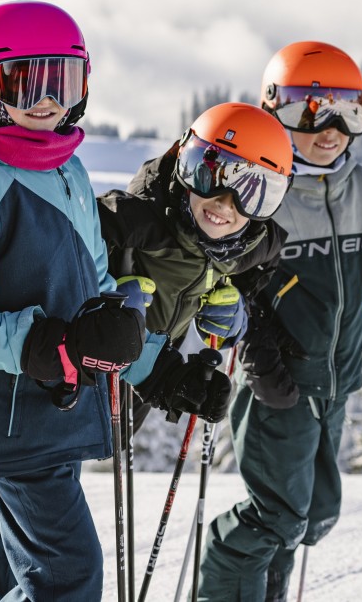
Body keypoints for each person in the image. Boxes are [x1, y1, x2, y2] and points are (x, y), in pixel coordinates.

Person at [0, 0, 231, 602]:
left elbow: (98, 300)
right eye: (23, 80)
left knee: (0, 570)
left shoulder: (65, 166)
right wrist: (53, 345)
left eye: (61, 79)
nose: (45, 98)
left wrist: (160, 371)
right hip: (10, 420)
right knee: (67, 577)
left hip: (50, 413)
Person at [197, 41, 362, 602]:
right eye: (311, 110)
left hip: (336, 383)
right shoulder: (264, 193)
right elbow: (227, 283)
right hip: (277, 385)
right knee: (276, 516)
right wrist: (256, 349)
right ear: (275, 111)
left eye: (347, 112)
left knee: (315, 516)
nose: (329, 129)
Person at [97, 102, 294, 432]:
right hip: (83, 369)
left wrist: (237, 305)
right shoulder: (137, 221)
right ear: (186, 165)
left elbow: (266, 260)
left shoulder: (251, 243)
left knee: (103, 444)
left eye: (249, 194)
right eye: (211, 178)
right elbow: (68, 248)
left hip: (141, 389)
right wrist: (104, 289)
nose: (224, 203)